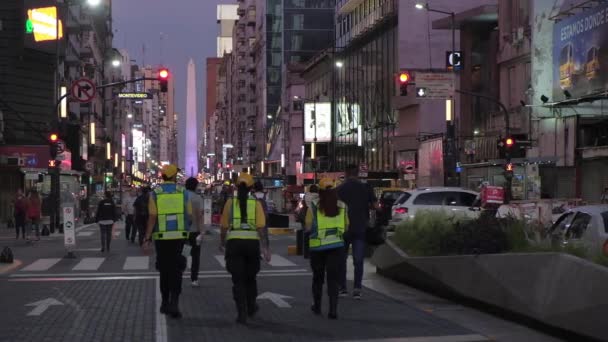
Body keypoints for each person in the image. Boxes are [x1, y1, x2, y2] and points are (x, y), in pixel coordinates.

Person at [220, 173, 270, 324]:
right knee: (250, 278)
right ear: (251, 188)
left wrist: (222, 243)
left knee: (238, 280)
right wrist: (265, 248)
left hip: (234, 244)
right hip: (251, 245)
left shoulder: (230, 202)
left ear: (236, 186)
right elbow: (261, 228)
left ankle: (241, 312)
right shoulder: (256, 203)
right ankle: (251, 307)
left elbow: (223, 226)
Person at [143, 165, 188, 319]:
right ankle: (174, 303)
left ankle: (164, 302)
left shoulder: (155, 193)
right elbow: (189, 213)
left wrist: (147, 238)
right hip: (179, 238)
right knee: (176, 270)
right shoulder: (183, 192)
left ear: (162, 176)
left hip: (161, 238)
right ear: (175, 177)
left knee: (164, 270)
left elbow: (152, 217)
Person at [305, 178, 348, 319]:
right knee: (333, 279)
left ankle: (317, 306)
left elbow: (308, 226)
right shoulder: (342, 205)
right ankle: (333, 310)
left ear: (320, 191)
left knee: (318, 278)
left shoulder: (313, 205)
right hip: (336, 247)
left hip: (318, 248)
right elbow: (347, 226)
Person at [337, 165, 377, 300]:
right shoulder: (366, 187)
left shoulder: (340, 189)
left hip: (343, 228)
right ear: (358, 173)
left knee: (341, 260)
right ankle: (357, 289)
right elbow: (375, 206)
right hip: (360, 227)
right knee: (358, 260)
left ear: (346, 173)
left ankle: (342, 288)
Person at [185, 177, 205, 287]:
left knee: (184, 253)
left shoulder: (182, 196)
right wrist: (202, 231)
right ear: (195, 186)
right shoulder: (197, 198)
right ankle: (194, 278)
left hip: (183, 231)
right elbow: (199, 216)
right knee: (195, 256)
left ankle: (179, 274)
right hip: (194, 231)